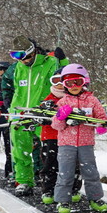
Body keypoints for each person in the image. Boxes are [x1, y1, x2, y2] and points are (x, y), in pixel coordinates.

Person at [49, 64, 107, 213]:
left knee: (90, 172)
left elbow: (101, 118)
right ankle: (63, 201)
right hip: (66, 144)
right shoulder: (62, 102)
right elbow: (56, 126)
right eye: (69, 83)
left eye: (78, 82)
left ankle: (95, 198)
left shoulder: (92, 100)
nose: (74, 86)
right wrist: (60, 116)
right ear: (64, 85)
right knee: (65, 173)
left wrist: (101, 126)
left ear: (85, 82)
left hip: (86, 143)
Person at [7, 47, 62, 195]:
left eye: (24, 56)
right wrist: (12, 108)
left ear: (32, 52)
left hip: (42, 112)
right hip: (21, 113)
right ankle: (24, 181)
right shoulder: (19, 66)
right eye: (16, 57)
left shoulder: (49, 62)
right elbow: (16, 88)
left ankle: (53, 183)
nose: (22, 60)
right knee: (20, 149)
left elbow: (61, 78)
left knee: (50, 150)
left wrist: (62, 61)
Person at [37, 74, 80, 205]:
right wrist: (44, 112)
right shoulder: (47, 100)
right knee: (50, 163)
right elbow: (40, 117)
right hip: (51, 137)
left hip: (69, 137)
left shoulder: (73, 99)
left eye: (62, 81)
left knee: (72, 163)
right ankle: (48, 189)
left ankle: (73, 189)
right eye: (55, 81)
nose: (59, 84)